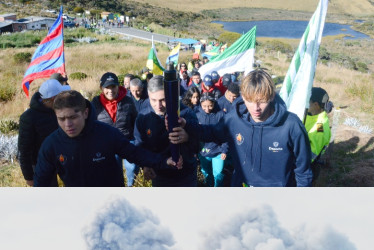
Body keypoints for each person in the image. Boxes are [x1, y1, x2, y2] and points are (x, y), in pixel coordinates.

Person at [171, 69, 312, 187]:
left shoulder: (291, 125)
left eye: (262, 101)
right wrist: (187, 125)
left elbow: (303, 171)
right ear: (243, 96)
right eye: (250, 101)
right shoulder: (234, 119)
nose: (256, 108)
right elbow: (212, 132)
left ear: (271, 96)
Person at [34, 90, 181, 187]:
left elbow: (134, 153)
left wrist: (163, 161)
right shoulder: (51, 145)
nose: (68, 124)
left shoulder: (107, 134)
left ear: (85, 113)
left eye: (73, 117)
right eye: (62, 119)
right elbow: (41, 182)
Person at [134, 75, 199, 187]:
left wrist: (188, 138)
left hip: (185, 176)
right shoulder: (143, 117)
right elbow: (139, 146)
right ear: (148, 95)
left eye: (163, 100)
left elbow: (199, 145)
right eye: (153, 100)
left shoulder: (186, 114)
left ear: (170, 96)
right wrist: (144, 165)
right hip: (160, 176)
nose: (158, 106)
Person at [18, 79, 71, 187]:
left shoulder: (60, 110)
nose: (64, 98)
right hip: (41, 166)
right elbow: (24, 150)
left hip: (62, 160)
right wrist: (28, 177)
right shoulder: (28, 118)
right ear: (53, 98)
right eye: (61, 95)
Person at [91, 72, 139, 186]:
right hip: (107, 145)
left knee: (132, 168)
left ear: (118, 86)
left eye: (113, 86)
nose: (110, 90)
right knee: (115, 173)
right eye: (107, 87)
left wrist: (136, 140)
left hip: (127, 141)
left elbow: (136, 121)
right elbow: (91, 124)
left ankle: (131, 187)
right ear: (101, 88)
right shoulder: (95, 103)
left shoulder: (128, 101)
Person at [196, 93, 228, 187]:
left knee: (218, 174)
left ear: (214, 103)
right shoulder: (197, 115)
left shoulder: (221, 115)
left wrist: (224, 150)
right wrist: (194, 150)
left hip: (218, 151)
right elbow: (194, 135)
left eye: (210, 105)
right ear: (200, 104)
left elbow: (226, 134)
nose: (207, 109)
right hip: (203, 151)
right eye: (204, 106)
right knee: (207, 173)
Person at [304, 87, 332, 184]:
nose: (305, 103)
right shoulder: (309, 115)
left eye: (308, 101)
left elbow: (311, 155)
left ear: (316, 105)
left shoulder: (320, 126)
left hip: (306, 168)